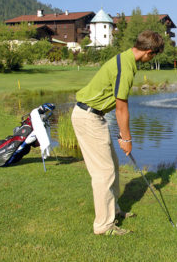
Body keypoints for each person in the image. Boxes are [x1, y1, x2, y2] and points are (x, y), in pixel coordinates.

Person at [71, 30, 165, 236]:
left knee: (112, 166)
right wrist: (126, 138)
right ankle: (104, 226)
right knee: (103, 173)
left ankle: (114, 211)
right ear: (149, 52)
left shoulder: (126, 58)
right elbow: (121, 107)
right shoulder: (126, 66)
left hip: (95, 116)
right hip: (88, 117)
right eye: (154, 55)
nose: (152, 59)